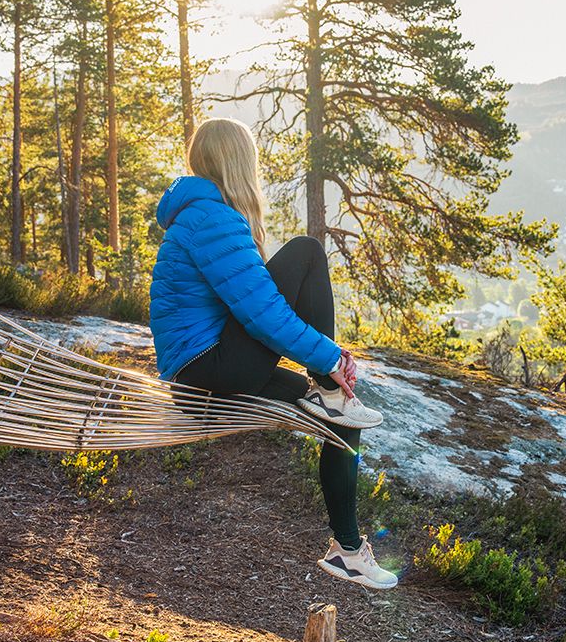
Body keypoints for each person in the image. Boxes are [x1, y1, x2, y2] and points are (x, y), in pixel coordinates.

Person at [149, 118, 398, 590]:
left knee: (340, 421)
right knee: (306, 252)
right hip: (207, 370)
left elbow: (253, 307)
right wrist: (328, 359)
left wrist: (324, 359)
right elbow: (263, 315)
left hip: (208, 371)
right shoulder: (213, 218)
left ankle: (347, 551)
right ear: (240, 161)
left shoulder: (205, 215)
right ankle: (331, 390)